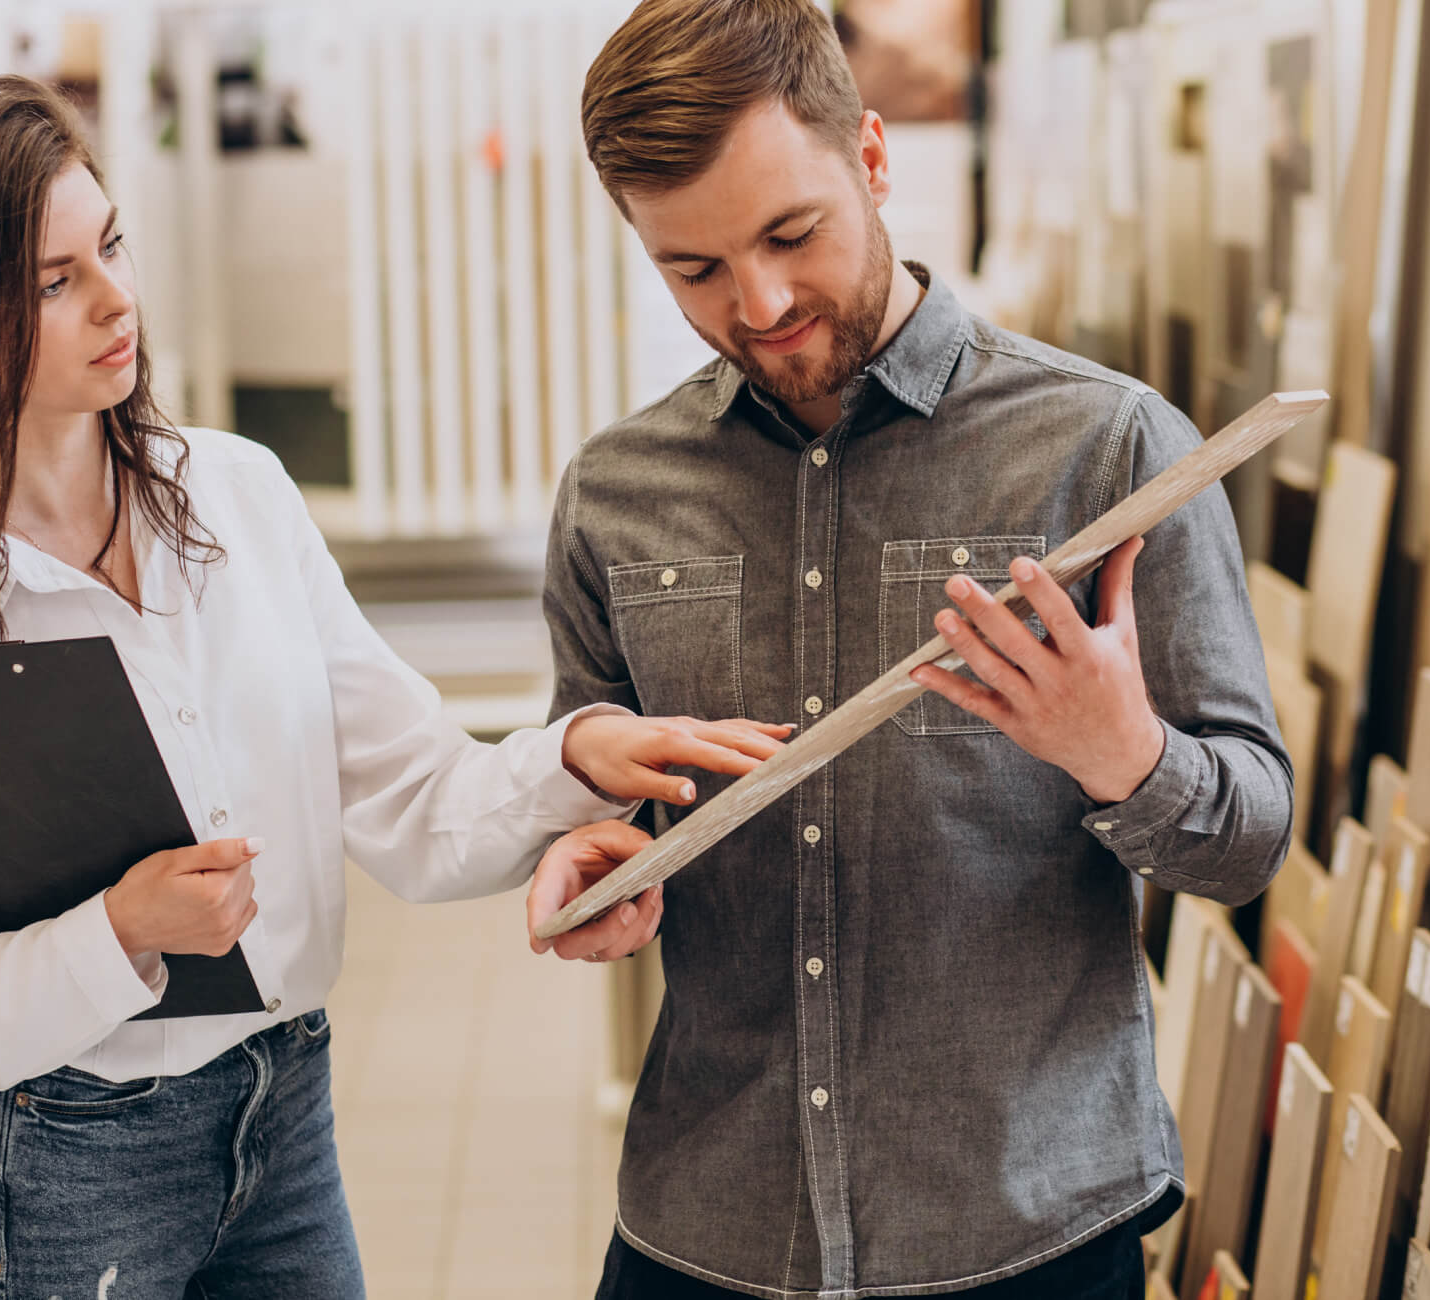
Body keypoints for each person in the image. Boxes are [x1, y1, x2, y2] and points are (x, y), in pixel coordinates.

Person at [0, 75, 786, 1298]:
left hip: (284, 1117)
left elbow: (411, 796)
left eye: (111, 245)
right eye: (52, 281)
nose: (116, 298)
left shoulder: (236, 498)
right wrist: (117, 936)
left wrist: (568, 758)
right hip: (64, 1167)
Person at [527, 3, 1294, 1296]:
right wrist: (588, 855)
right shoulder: (617, 493)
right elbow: (591, 783)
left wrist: (1127, 758)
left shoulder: (1108, 454)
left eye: (790, 234)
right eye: (694, 270)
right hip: (711, 1225)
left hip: (1024, 1232)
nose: (758, 304)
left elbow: (1248, 841)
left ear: (874, 159)